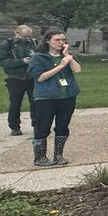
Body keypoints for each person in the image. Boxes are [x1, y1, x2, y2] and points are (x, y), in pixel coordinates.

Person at [28, 31, 81, 167]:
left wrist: (68, 57)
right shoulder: (39, 57)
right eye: (57, 40)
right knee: (43, 126)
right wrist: (61, 65)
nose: (61, 42)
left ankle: (58, 154)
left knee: (63, 126)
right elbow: (40, 77)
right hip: (46, 96)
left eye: (63, 40)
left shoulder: (66, 56)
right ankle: (40, 157)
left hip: (67, 95)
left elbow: (77, 70)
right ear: (47, 41)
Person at [0, 24, 37, 136]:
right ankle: (15, 127)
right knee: (15, 103)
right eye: (24, 36)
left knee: (36, 102)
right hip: (15, 78)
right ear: (16, 33)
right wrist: (21, 61)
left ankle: (37, 125)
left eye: (29, 36)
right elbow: (0, 60)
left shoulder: (33, 43)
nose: (27, 38)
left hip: (32, 77)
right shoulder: (7, 44)